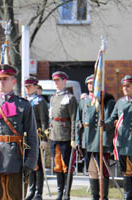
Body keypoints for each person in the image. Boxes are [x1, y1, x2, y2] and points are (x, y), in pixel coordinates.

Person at [0, 64, 38, 200]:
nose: (2, 82)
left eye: (5, 78)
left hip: (16, 160)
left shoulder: (23, 105)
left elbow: (33, 137)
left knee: (15, 196)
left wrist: (30, 163)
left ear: (13, 81)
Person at [75, 74, 115, 200]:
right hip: (87, 139)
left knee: (102, 170)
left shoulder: (107, 101)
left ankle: (104, 196)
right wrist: (77, 140)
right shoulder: (84, 101)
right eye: (89, 83)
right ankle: (95, 196)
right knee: (91, 169)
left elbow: (109, 120)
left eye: (93, 83)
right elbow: (78, 122)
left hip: (100, 140)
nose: (91, 86)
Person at [49, 71, 77, 200]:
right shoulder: (53, 97)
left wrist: (73, 137)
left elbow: (73, 119)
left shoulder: (70, 98)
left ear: (64, 81)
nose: (56, 82)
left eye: (58, 80)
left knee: (66, 166)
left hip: (65, 136)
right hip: (54, 135)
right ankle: (60, 191)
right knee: (57, 165)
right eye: (54, 80)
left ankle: (67, 192)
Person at [24, 77, 49, 200]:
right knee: (29, 164)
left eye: (29, 86)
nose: (27, 89)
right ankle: (31, 190)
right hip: (26, 138)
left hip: (37, 136)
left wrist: (44, 138)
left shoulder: (40, 101)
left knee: (38, 165)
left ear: (35, 87)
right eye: (26, 87)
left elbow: (44, 121)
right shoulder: (24, 101)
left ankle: (39, 192)